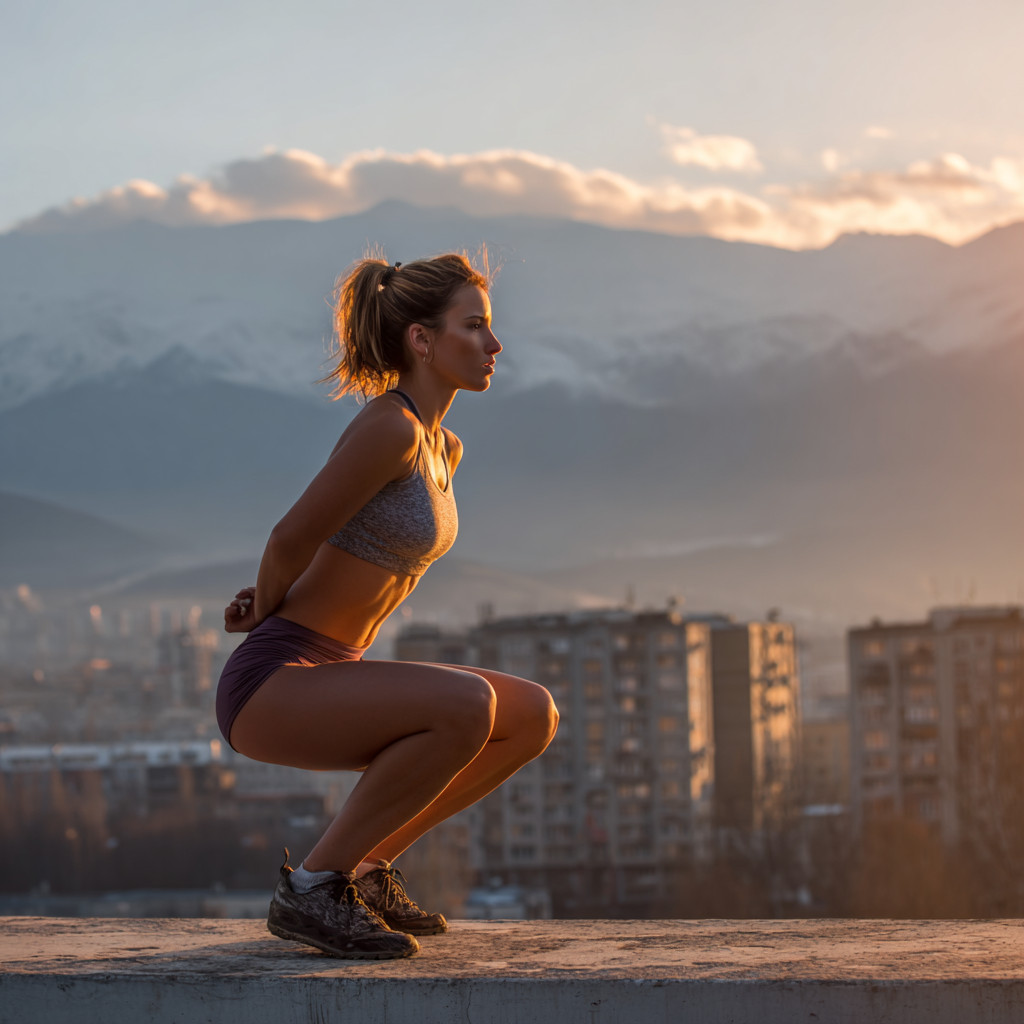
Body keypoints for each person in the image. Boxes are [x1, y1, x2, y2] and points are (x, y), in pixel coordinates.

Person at [216, 253, 558, 960]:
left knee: (532, 716)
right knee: (467, 705)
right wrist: (263, 609)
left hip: (336, 670)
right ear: (421, 340)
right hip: (277, 682)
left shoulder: (444, 448)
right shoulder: (391, 427)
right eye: (476, 327)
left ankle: (366, 871)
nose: (495, 345)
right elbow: (291, 535)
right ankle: (313, 888)